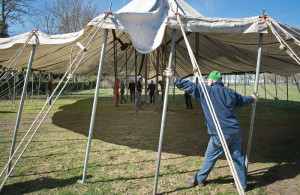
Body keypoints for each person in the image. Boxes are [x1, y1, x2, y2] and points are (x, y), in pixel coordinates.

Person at [164, 69, 259, 192]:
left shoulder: (206, 91)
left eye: (208, 79)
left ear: (212, 80)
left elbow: (190, 86)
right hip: (235, 131)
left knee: (210, 157)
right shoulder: (230, 92)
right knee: (238, 158)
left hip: (220, 133)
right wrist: (252, 98)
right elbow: (242, 101)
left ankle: (199, 180)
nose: (207, 81)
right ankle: (243, 184)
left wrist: (174, 79)